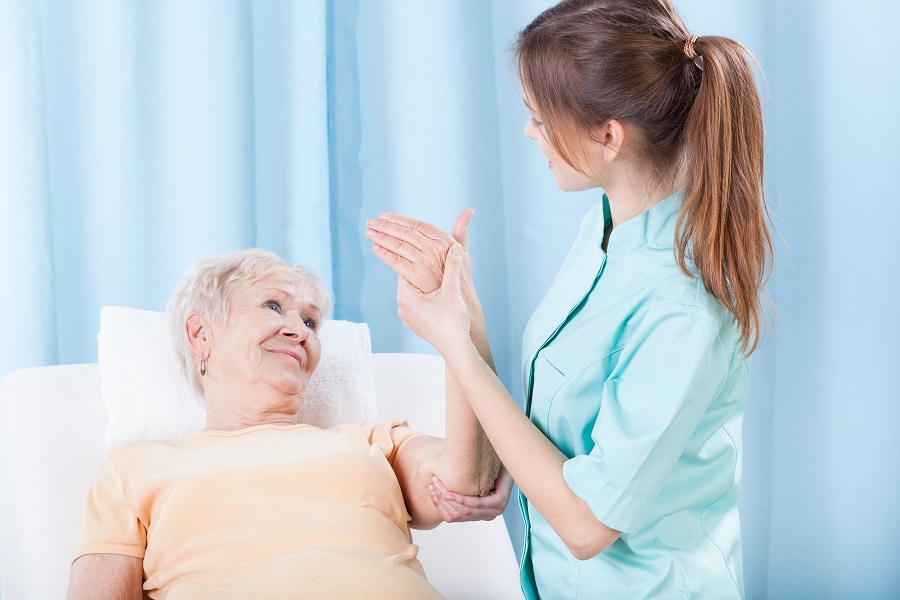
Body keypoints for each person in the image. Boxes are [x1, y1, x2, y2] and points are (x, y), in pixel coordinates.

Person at [366, 0, 774, 598]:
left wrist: (452, 341)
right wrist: (464, 309)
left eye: (539, 116)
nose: (530, 132)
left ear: (608, 136)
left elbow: (587, 523)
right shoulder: (606, 230)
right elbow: (573, 429)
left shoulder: (683, 310)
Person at [66, 248, 508, 600]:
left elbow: (467, 478)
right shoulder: (133, 468)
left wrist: (461, 322)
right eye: (274, 305)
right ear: (201, 334)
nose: (300, 330)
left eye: (311, 321)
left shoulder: (373, 441)